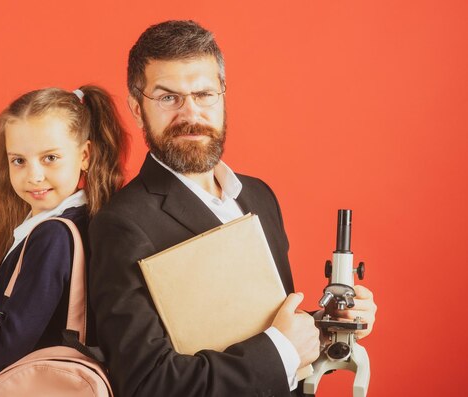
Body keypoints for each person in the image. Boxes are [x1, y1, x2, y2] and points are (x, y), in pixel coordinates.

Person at [88, 20, 377, 397]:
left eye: (204, 94)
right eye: (167, 97)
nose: (190, 114)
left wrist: (331, 326)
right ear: (137, 109)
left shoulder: (258, 196)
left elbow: (262, 331)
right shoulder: (121, 225)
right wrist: (283, 349)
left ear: (223, 95)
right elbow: (150, 384)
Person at [0, 86, 129, 381]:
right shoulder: (79, 220)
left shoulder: (52, 236)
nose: (33, 176)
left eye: (50, 158)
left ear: (85, 155)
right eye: (19, 160)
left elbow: (9, 343)